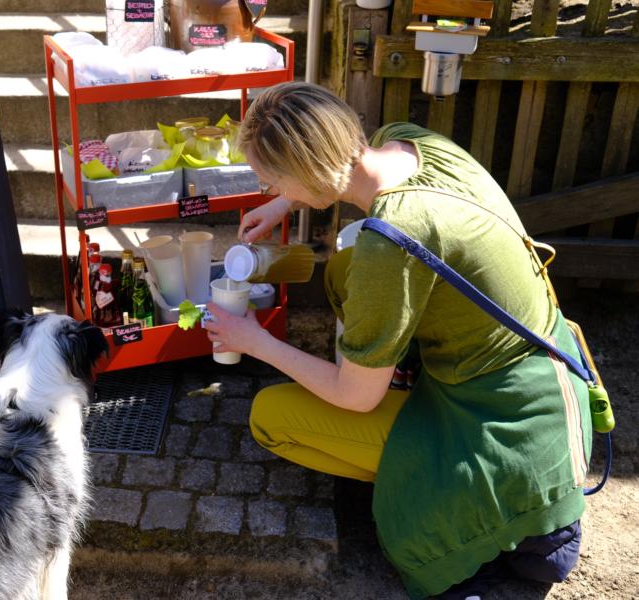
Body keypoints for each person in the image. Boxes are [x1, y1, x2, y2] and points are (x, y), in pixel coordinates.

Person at [203, 81, 591, 599]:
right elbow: (350, 190)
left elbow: (355, 397)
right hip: (551, 370)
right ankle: (404, 384)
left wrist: (253, 340)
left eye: (273, 180)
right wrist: (286, 205)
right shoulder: (406, 140)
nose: (270, 190)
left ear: (309, 169)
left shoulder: (394, 239)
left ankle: (439, 491)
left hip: (505, 428)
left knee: (270, 417)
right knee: (344, 267)